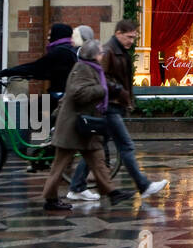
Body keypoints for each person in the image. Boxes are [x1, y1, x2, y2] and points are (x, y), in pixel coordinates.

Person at [67, 19, 169, 202]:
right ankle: (143, 185)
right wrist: (118, 91)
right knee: (126, 146)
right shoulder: (108, 51)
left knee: (96, 147)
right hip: (109, 106)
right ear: (118, 33)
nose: (132, 41)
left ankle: (76, 186)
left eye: (134, 37)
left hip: (115, 104)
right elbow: (100, 76)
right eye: (129, 37)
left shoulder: (120, 51)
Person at [41, 41, 133, 211]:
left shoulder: (92, 68)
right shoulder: (83, 69)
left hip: (85, 125)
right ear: (93, 55)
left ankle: (113, 193)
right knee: (59, 165)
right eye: (100, 52)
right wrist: (102, 90)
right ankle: (50, 198)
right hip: (73, 125)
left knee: (97, 159)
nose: (103, 54)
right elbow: (78, 94)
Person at [5, 23, 79, 94]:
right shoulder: (69, 50)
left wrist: (9, 71)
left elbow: (36, 67)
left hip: (60, 95)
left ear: (57, 35)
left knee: (33, 107)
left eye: (50, 35)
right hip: (65, 93)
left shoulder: (60, 52)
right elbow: (49, 72)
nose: (48, 38)